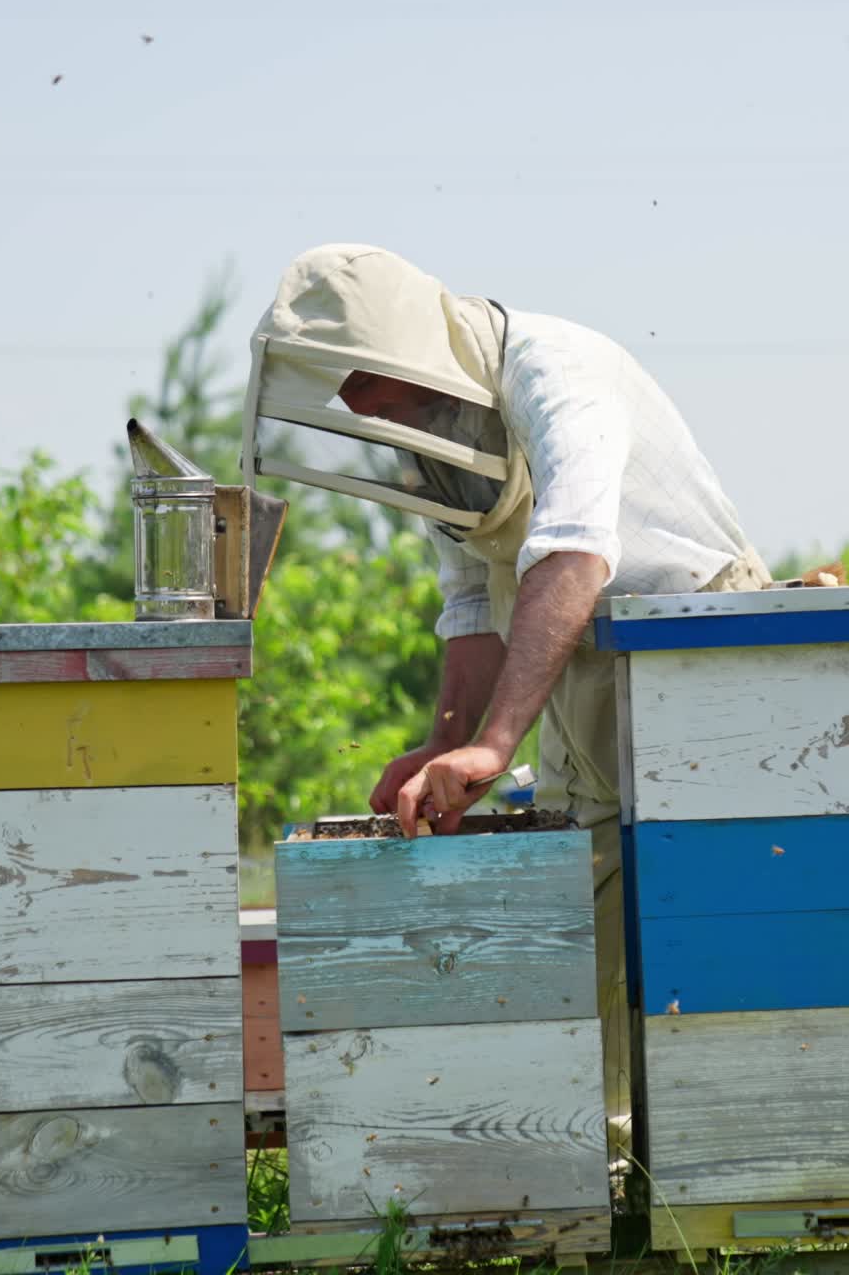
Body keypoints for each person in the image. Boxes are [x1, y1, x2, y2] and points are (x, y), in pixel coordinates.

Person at [245, 244, 771, 1157]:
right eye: (353, 402)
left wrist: (493, 745)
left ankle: (707, 1156)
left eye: (381, 393)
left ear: (421, 357)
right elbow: (472, 605)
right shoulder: (439, 439)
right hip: (572, 661)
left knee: (702, 918)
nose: (371, 417)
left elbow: (573, 554)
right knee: (590, 907)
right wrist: (444, 746)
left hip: (698, 642)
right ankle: (603, 1161)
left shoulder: (555, 373)